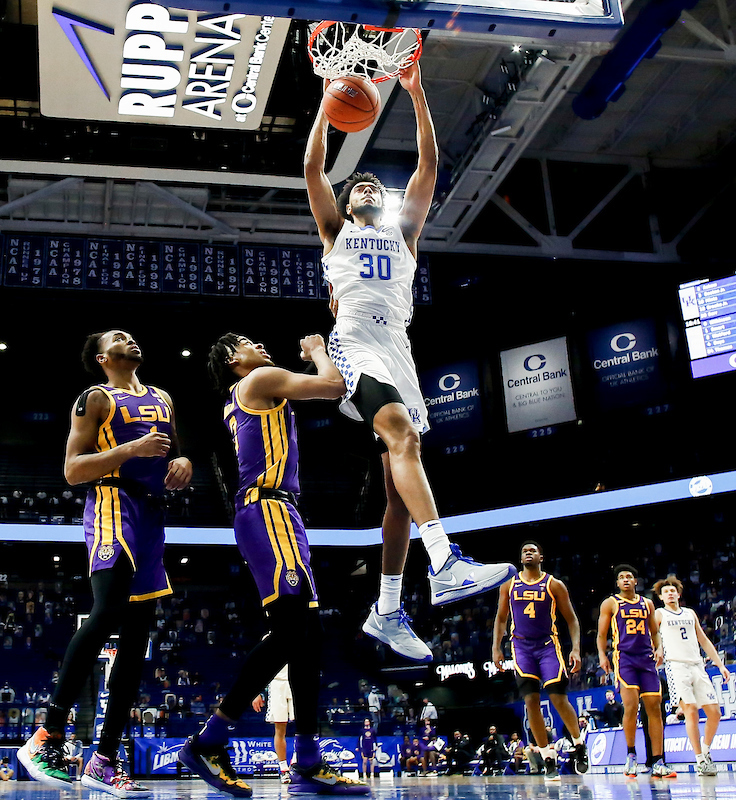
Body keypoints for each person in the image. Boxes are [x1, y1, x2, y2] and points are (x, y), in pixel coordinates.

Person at [305, 62, 514, 662]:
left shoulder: (405, 233)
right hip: (355, 342)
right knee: (401, 437)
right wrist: (325, 106)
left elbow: (428, 167)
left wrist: (418, 93)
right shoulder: (333, 232)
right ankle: (445, 560)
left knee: (400, 492)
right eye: (359, 187)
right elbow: (314, 169)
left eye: (375, 185)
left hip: (399, 348)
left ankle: (388, 610)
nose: (367, 187)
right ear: (346, 207)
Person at [180, 332, 366, 796]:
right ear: (231, 359)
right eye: (246, 341)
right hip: (268, 509)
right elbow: (335, 386)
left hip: (276, 512)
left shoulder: (249, 392)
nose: (260, 343)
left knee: (308, 635)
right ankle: (211, 737)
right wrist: (318, 350)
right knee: (291, 631)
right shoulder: (260, 379)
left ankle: (306, 759)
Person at [20, 330, 189, 798]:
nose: (132, 340)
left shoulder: (162, 397)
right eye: (120, 338)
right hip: (113, 505)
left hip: (154, 514)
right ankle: (47, 735)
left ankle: (104, 759)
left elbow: (174, 453)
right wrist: (129, 451)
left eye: (134, 336)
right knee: (108, 611)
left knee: (137, 641)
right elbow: (73, 470)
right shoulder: (95, 398)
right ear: (102, 356)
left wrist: (184, 464)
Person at [491, 541, 589, 781]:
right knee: (530, 700)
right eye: (524, 550)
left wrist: (575, 649)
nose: (528, 553)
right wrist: (496, 647)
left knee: (558, 696)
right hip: (521, 646)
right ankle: (547, 758)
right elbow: (501, 618)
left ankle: (578, 743)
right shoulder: (509, 585)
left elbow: (573, 620)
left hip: (547, 645)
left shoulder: (554, 584)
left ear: (541, 557)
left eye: (533, 550)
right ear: (520, 557)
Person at [597, 566, 673, 779]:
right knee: (631, 707)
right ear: (617, 583)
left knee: (655, 709)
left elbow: (655, 632)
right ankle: (631, 755)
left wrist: (659, 648)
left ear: (636, 581)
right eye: (621, 577)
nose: (626, 580)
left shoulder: (647, 603)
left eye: (629, 576)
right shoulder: (611, 603)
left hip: (647, 660)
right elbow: (602, 635)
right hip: (625, 659)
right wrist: (602, 656)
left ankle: (658, 761)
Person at [654, 575, 730, 777]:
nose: (670, 593)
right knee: (691, 711)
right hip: (675, 666)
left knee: (715, 713)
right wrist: (659, 649)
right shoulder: (659, 614)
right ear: (661, 597)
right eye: (666, 591)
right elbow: (654, 636)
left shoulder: (690, 613)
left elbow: (703, 639)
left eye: (672, 590)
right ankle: (699, 760)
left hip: (697, 665)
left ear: (678, 594)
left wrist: (720, 665)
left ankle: (706, 751)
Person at [251, 667, 294, 784]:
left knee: (304, 727)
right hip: (276, 683)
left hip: (297, 681)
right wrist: (256, 692)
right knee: (280, 729)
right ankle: (284, 769)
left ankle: (297, 765)